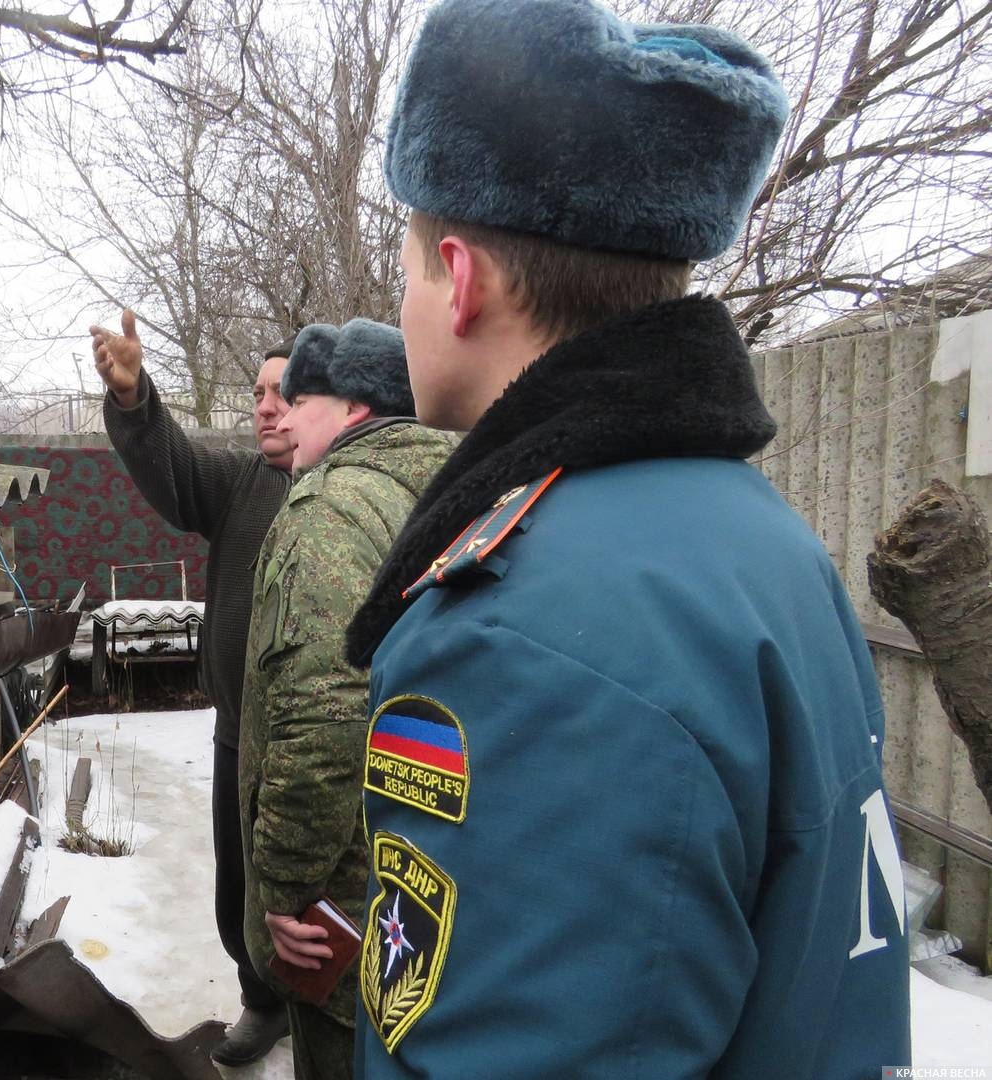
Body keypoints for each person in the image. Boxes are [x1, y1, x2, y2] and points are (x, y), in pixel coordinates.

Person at [342, 1, 911, 1076]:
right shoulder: (767, 543)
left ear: (459, 280)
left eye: (410, 264)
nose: (406, 303)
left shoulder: (520, 630)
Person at [238, 319, 454, 1080]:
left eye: (300, 398)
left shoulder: (329, 508)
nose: (282, 417)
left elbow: (325, 716)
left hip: (347, 907)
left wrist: (288, 887)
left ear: (356, 410)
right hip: (435, 890)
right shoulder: (460, 496)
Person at [90, 309, 295, 1065]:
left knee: (314, 891)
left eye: (283, 392)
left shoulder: (345, 490)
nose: (265, 405)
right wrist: (135, 397)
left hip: (317, 741)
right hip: (238, 732)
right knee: (239, 883)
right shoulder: (242, 482)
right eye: (258, 392)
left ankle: (330, 1014)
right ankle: (262, 1001)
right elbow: (170, 467)